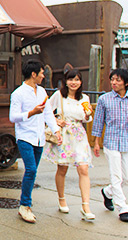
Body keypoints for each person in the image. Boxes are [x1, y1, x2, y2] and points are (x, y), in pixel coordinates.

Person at [9, 60, 62, 223]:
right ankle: (25, 205)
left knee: (32, 171)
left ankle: (25, 204)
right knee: (31, 170)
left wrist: (56, 130)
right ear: (33, 74)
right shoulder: (18, 93)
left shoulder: (42, 92)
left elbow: (48, 114)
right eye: (41, 73)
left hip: (39, 137)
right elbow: (13, 117)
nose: (43, 76)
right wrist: (31, 112)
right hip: (24, 136)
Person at [92, 68, 128, 223]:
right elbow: (98, 121)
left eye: (118, 80)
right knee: (116, 176)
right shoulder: (104, 99)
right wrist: (96, 142)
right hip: (111, 142)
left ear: (126, 83)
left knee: (127, 177)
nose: (114, 83)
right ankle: (123, 209)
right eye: (112, 79)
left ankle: (107, 192)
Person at [43, 69, 95, 221]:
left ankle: (85, 206)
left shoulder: (84, 97)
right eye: (71, 79)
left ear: (81, 82)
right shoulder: (59, 96)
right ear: (66, 81)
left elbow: (86, 119)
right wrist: (56, 120)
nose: (74, 82)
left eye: (77, 80)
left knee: (83, 168)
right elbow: (46, 110)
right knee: (62, 168)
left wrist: (87, 115)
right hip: (64, 135)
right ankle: (61, 199)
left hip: (78, 135)